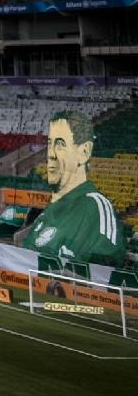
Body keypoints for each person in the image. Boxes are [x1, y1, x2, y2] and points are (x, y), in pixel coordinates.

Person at [23, 111, 124, 274]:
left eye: (60, 144)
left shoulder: (95, 207)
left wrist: (68, 275)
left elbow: (107, 267)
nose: (51, 154)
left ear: (84, 151)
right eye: (50, 144)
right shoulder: (49, 211)